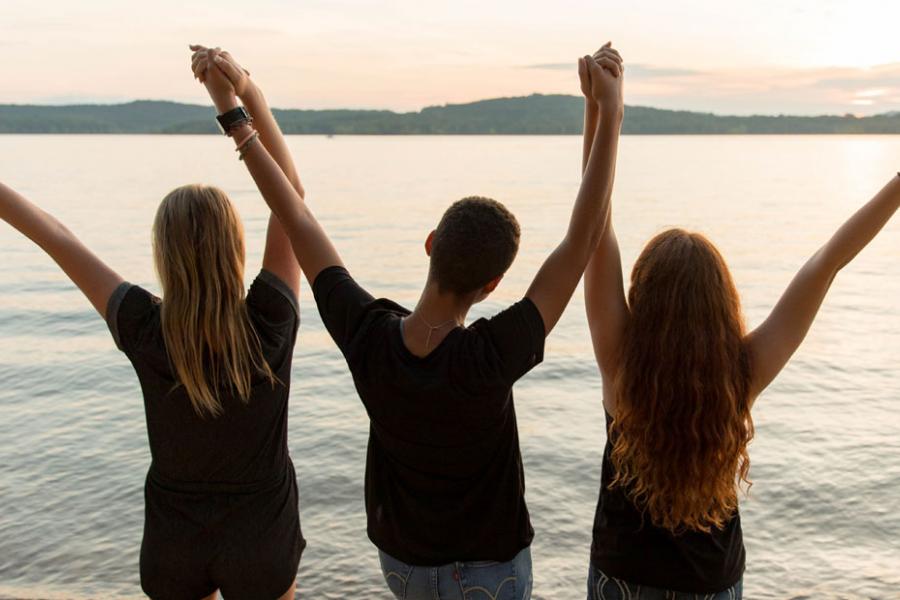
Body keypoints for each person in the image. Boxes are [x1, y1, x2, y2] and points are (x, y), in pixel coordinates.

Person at [192, 42, 624, 600]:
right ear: (492, 286)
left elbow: (293, 212)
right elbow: (583, 239)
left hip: (405, 569)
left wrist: (241, 105)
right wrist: (606, 112)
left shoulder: (367, 333)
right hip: (492, 572)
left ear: (429, 245)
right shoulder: (491, 355)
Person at [579, 55, 900, 598]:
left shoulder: (621, 364)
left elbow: (593, 225)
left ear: (643, 296)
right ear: (721, 303)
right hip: (712, 584)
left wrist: (604, 112)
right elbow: (828, 261)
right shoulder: (742, 372)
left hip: (621, 578)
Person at [0, 47, 307, 600]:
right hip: (261, 536)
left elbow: (55, 236)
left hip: (174, 541)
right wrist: (243, 96)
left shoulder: (145, 325)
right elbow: (292, 200)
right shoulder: (270, 319)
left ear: (164, 252)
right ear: (232, 246)